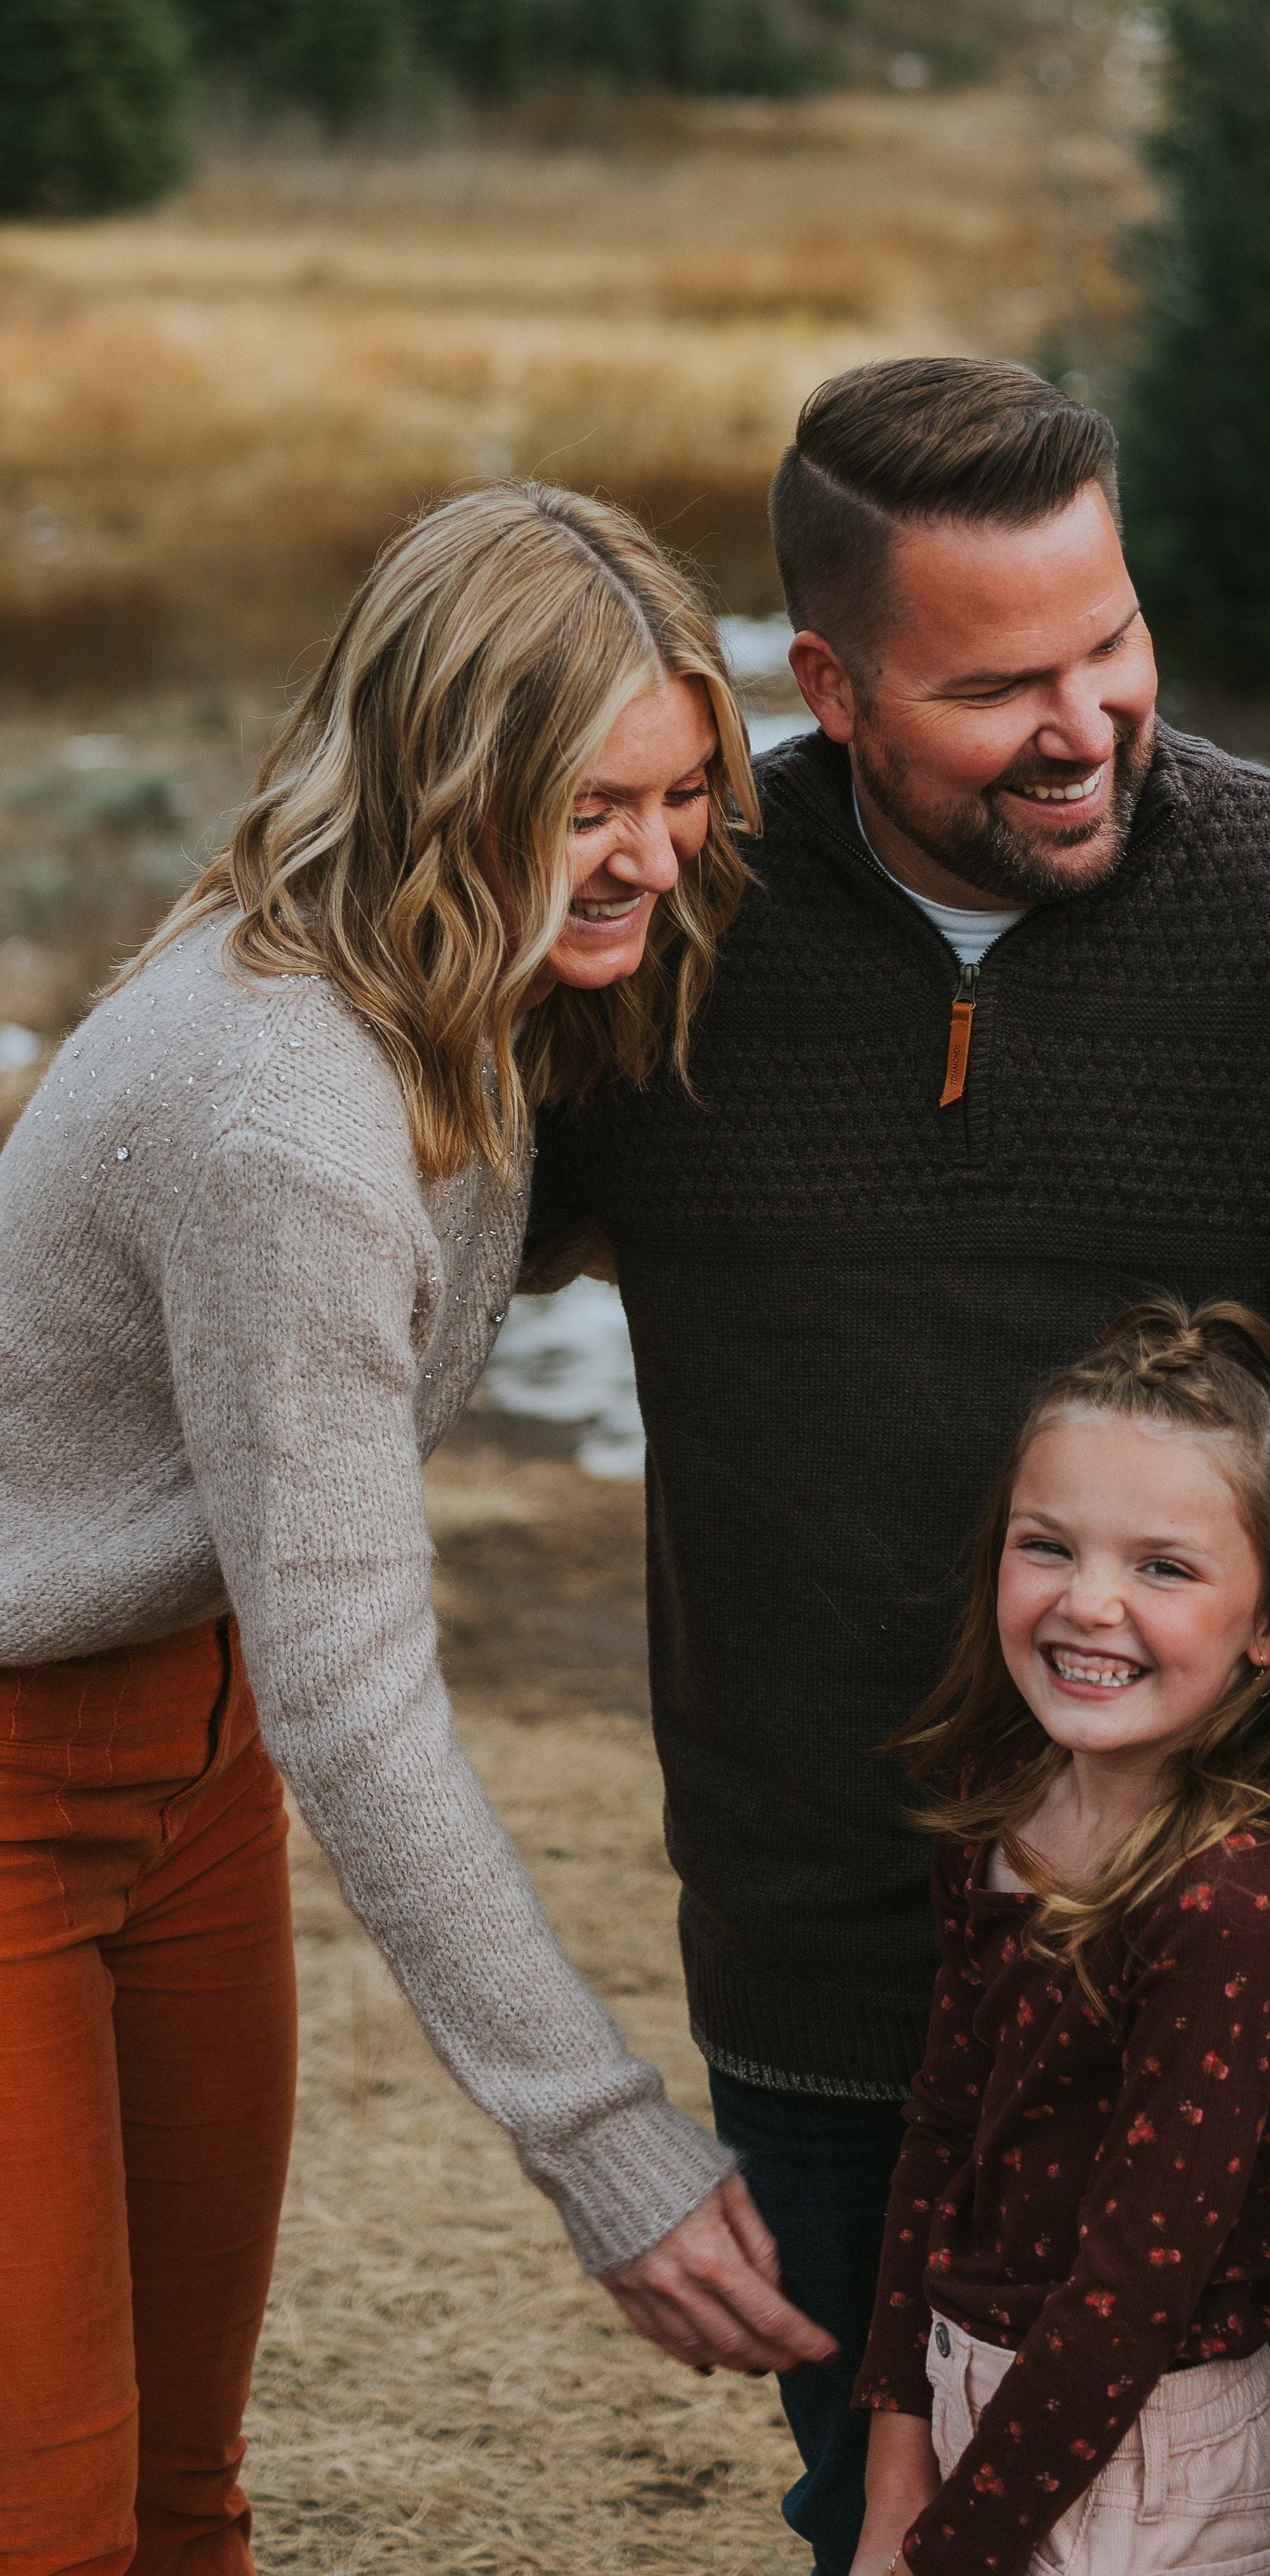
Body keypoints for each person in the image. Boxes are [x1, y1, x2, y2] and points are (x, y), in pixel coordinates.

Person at [525, 355, 1270, 2576]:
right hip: (826, 1957)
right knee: (868, 2513)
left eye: (1112, 641)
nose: (1086, 722)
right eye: (997, 686)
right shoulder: (678, 931)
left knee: (1194, 2524)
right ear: (833, 683)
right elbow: (420, 1248)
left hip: (1212, 1971)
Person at [0, 481, 832, 2573]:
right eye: (590, 803)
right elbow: (359, 1691)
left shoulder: (463, 983)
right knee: (50, 2512)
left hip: (191, 1769)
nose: (652, 853)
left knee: (186, 2489)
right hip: (17, 1767)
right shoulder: (286, 1107)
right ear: (444, 776)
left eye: (682, 792)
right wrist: (603, 2138)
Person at [850, 1297, 1270, 2576]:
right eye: (1049, 1546)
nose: (1089, 1603)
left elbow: (1132, 2293)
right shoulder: (999, 1811)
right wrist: (895, 2462)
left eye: (1164, 1565)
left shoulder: (1232, 1909)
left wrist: (944, 2554)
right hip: (980, 2407)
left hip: (1154, 2471)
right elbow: (938, 2133)